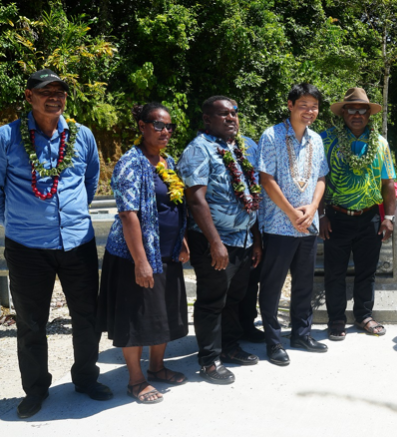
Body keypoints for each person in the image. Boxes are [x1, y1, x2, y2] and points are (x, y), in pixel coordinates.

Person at [0, 69, 109, 418]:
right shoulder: (7, 137)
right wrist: (20, 219)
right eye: (45, 91)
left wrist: (72, 215)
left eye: (60, 91)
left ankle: (86, 378)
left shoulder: (83, 136)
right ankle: (35, 389)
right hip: (27, 247)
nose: (54, 97)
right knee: (31, 322)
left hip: (77, 242)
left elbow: (90, 181)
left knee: (87, 316)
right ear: (29, 96)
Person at [98, 102, 190, 404]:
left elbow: (173, 205)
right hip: (134, 257)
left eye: (169, 126)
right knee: (136, 318)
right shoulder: (131, 162)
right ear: (142, 126)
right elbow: (128, 215)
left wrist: (182, 239)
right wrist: (140, 262)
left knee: (161, 314)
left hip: (166, 252)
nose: (165, 131)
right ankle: (136, 381)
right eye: (158, 125)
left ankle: (158, 367)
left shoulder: (167, 161)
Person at [178, 96, 263, 384]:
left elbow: (252, 197)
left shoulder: (241, 147)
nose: (230, 118)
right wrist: (216, 243)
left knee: (235, 297)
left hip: (243, 239)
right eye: (222, 114)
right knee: (212, 300)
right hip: (212, 241)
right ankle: (209, 360)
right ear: (207, 119)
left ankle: (228, 347)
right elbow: (195, 199)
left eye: (234, 113)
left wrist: (256, 238)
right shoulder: (198, 150)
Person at [257, 83, 330, 365]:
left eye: (314, 106)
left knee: (304, 283)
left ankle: (301, 333)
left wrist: (312, 209)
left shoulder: (317, 140)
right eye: (304, 105)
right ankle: (273, 341)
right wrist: (290, 213)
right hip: (278, 224)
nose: (309, 111)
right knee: (273, 286)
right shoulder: (271, 136)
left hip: (308, 225)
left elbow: (321, 178)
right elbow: (267, 179)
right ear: (290, 105)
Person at [319, 87, 396, 341]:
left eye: (362, 110)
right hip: (336, 217)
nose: (357, 114)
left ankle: (364, 315)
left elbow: (388, 185)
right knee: (335, 272)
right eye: (351, 109)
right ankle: (336, 320)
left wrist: (389, 218)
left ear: (368, 114)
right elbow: (317, 180)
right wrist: (321, 215)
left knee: (367, 271)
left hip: (369, 217)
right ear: (343, 112)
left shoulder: (380, 144)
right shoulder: (327, 140)